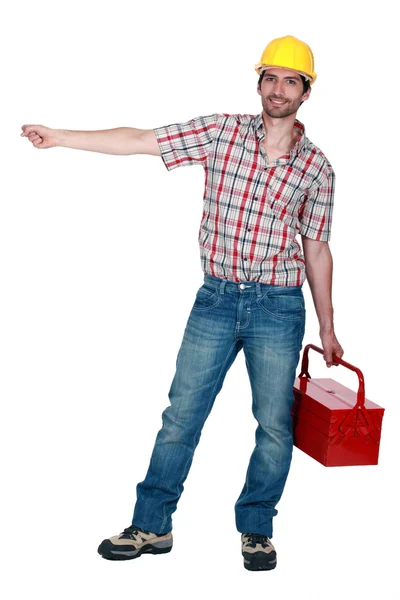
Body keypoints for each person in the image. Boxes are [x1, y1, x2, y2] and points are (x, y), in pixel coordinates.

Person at [21, 34, 344, 571]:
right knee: (181, 416)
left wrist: (329, 327)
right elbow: (141, 139)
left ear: (306, 93)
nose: (279, 89)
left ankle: (257, 530)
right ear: (259, 83)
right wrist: (60, 136)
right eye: (271, 78)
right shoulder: (221, 132)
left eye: (292, 81)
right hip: (216, 300)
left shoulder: (317, 168)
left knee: (274, 425)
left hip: (279, 306)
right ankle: (151, 526)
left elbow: (316, 248)